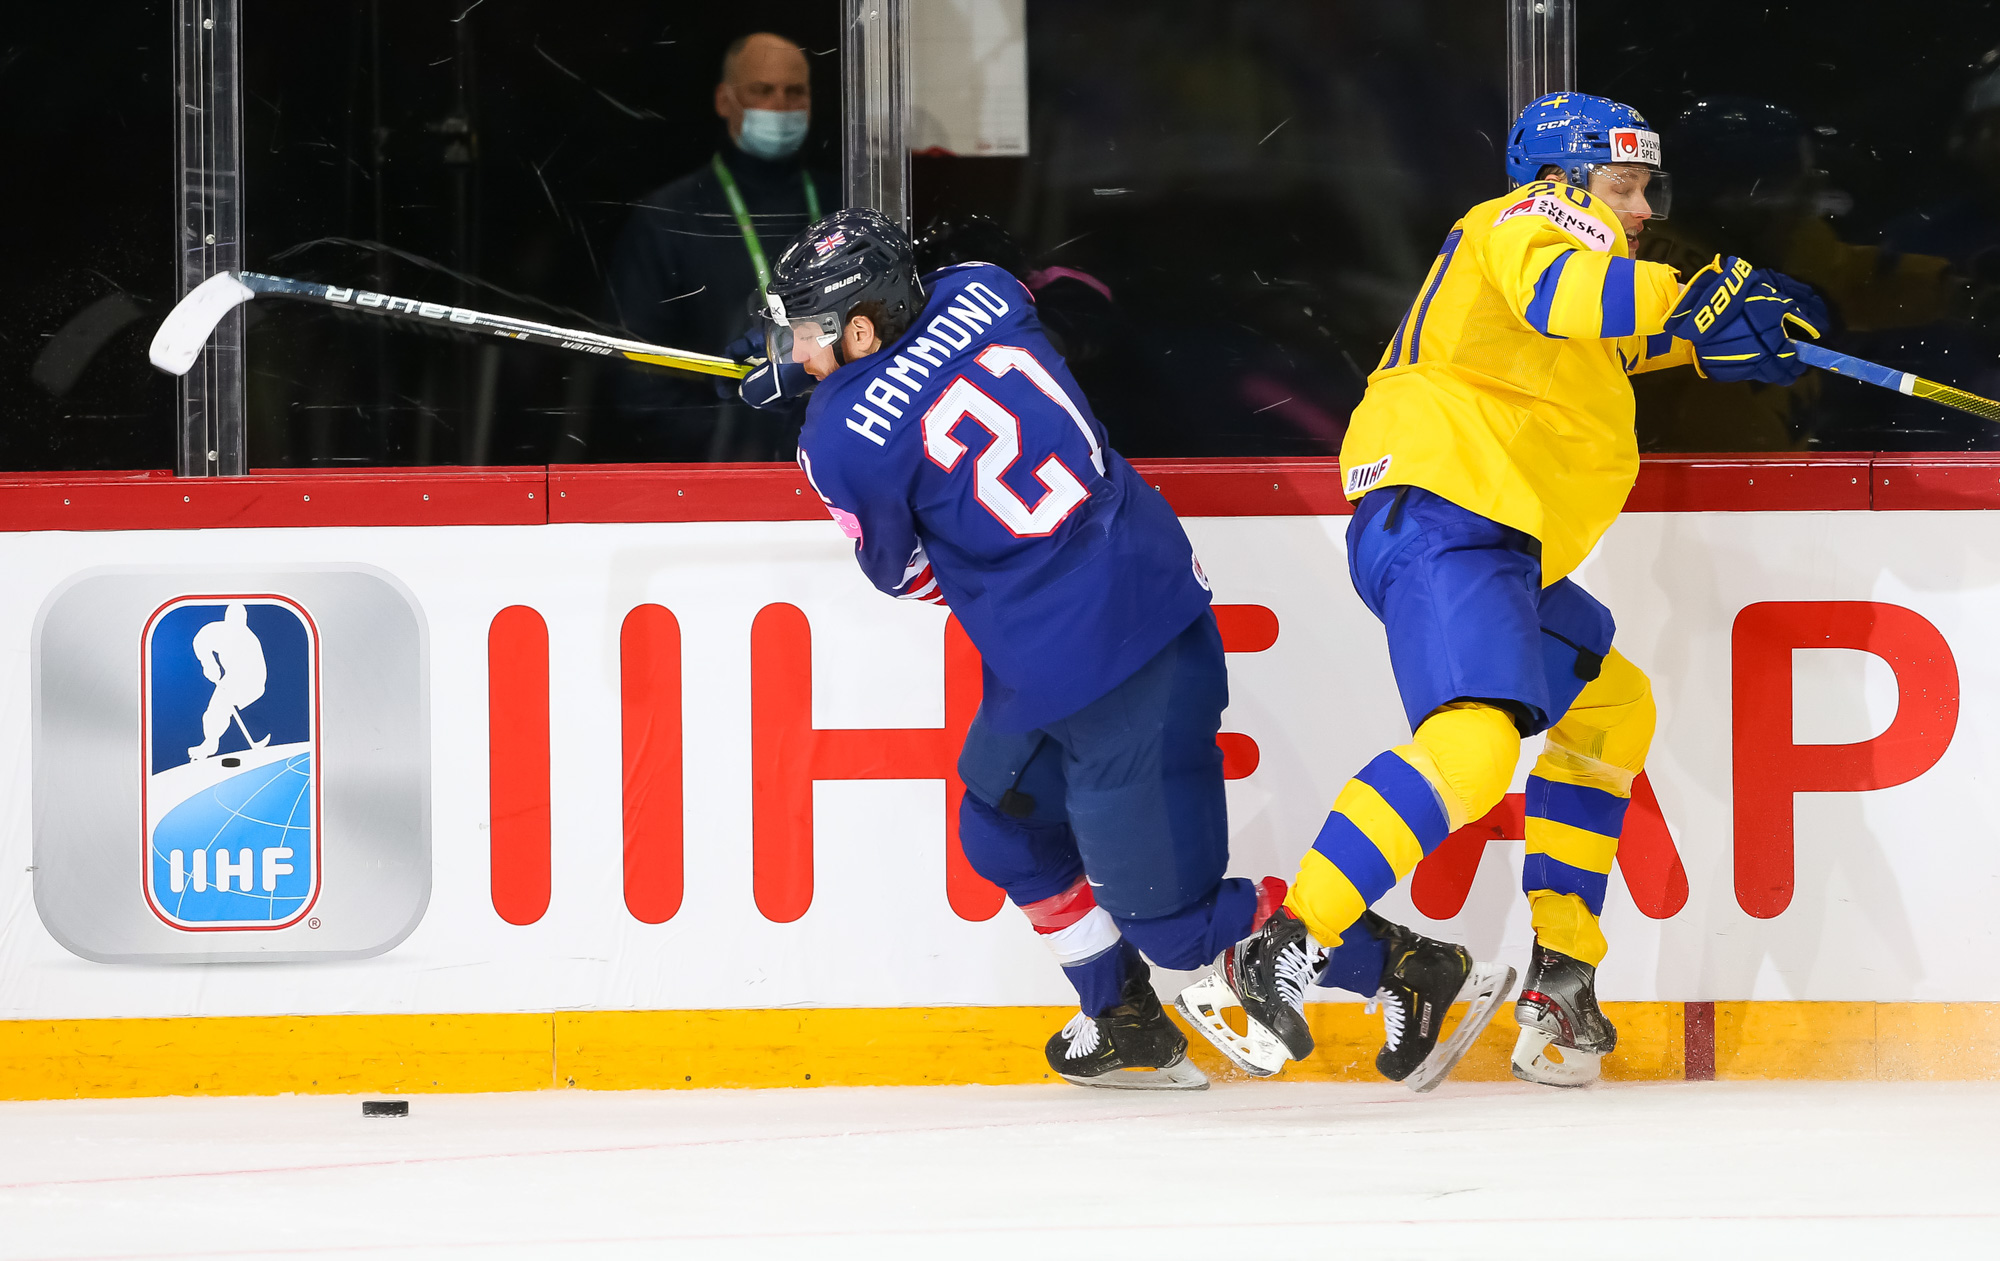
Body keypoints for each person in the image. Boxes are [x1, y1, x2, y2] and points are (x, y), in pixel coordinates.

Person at [766, 207, 1501, 1093]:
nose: (797, 349)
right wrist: (834, 375)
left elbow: (906, 574)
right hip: (1123, 599)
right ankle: (1124, 1020)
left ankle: (1405, 967)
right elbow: (977, 353)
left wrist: (828, 402)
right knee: (997, 828)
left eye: (810, 332)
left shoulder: (838, 437)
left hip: (1114, 661)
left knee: (1178, 928)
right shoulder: (981, 293)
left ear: (858, 328)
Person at [1205, 92, 1830, 1088]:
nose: (1637, 209)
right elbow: (1567, 298)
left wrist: (1727, 331)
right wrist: (1696, 294)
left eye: (1642, 190)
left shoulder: (1574, 276)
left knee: (1612, 708)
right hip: (1451, 512)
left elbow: (1614, 332)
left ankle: (1562, 974)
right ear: (1564, 180)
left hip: (1487, 539)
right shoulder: (1526, 222)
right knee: (1474, 741)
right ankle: (1282, 946)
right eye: (1620, 186)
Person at [607, 32, 831, 459]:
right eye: (762, 90)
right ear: (725, 100)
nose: (780, 105)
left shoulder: (844, 204)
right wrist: (742, 437)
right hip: (720, 469)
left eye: (795, 91)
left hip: (843, 454)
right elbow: (639, 378)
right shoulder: (668, 217)